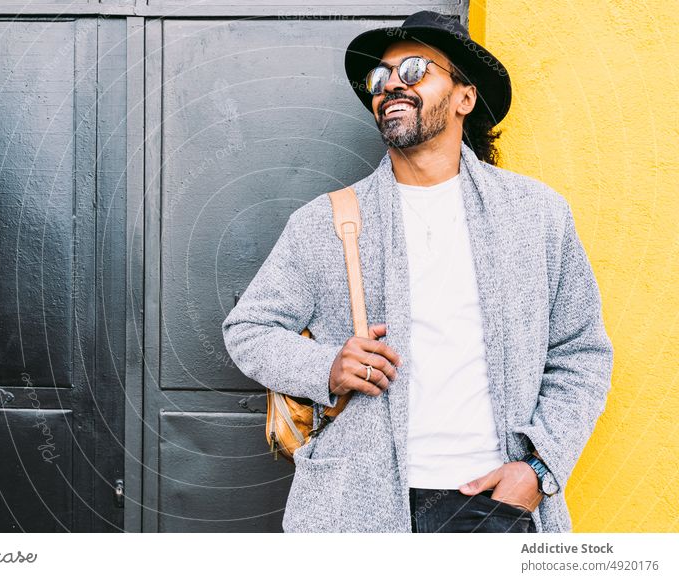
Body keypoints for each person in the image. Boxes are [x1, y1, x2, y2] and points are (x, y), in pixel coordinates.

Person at [221, 10, 613, 533]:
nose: (390, 86)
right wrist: (325, 368)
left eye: (414, 70)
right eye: (379, 78)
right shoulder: (328, 221)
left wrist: (539, 469)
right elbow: (248, 330)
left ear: (463, 98)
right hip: (357, 505)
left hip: (497, 501)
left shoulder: (536, 216)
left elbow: (582, 352)